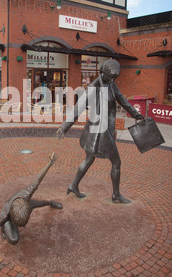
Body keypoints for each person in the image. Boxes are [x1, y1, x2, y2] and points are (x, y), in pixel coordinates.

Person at [57, 59, 144, 204]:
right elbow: (78, 108)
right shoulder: (93, 88)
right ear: (102, 73)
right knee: (116, 161)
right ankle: (116, 195)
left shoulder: (111, 84)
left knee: (89, 159)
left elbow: (122, 100)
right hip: (99, 132)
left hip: (104, 130)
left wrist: (135, 113)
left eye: (114, 78)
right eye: (111, 77)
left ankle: (73, 185)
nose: (113, 80)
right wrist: (64, 126)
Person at [0, 153, 62, 264]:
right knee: (14, 239)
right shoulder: (4, 216)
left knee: (39, 203)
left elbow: (38, 179)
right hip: (10, 215)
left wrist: (49, 163)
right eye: (20, 225)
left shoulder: (27, 195)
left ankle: (50, 202)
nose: (23, 226)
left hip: (23, 204)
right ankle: (5, 227)